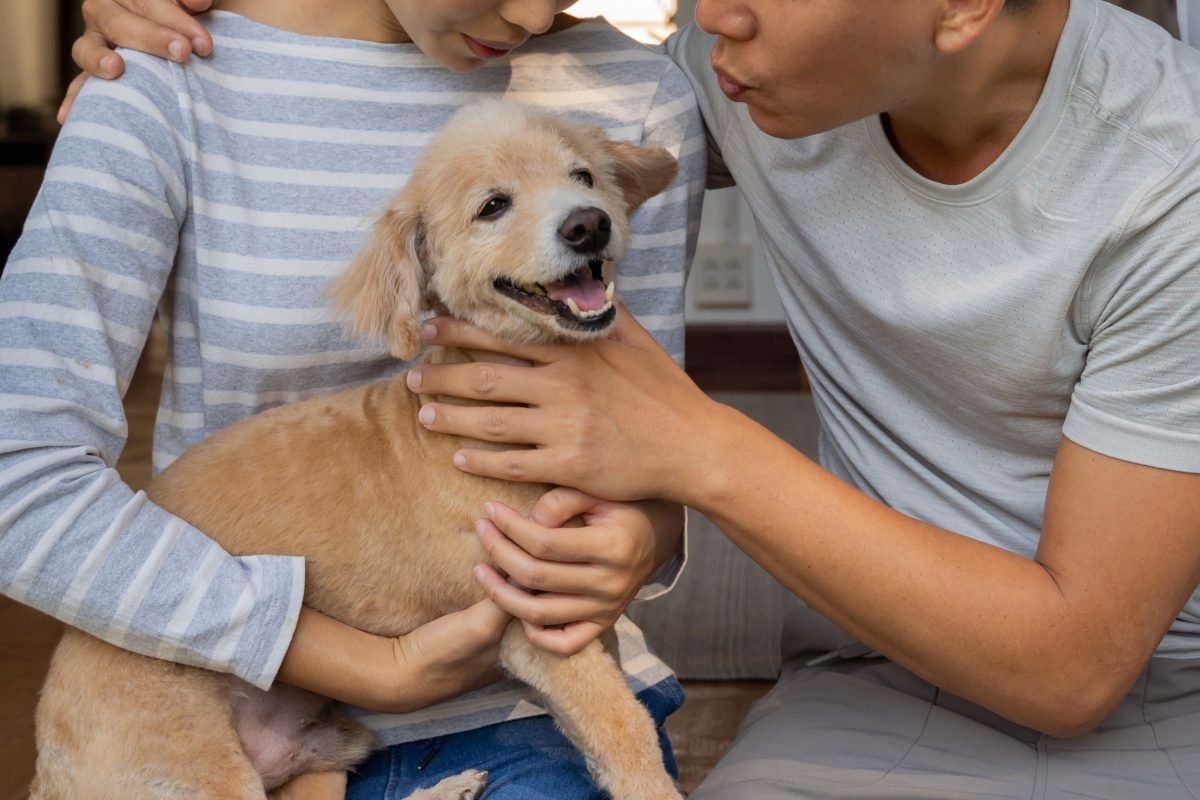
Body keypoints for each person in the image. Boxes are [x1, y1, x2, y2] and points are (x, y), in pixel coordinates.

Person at [58, 0, 1200, 796]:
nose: (709, 16)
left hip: (1129, 679)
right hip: (860, 669)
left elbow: (1074, 664)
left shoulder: (1167, 178)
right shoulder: (743, 72)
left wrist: (686, 472)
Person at [0, 1, 705, 798]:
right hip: (199, 698)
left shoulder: (635, 89)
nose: (534, 13)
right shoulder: (154, 82)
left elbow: (652, 440)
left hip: (524, 724)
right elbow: (16, 477)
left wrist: (646, 530)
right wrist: (370, 666)